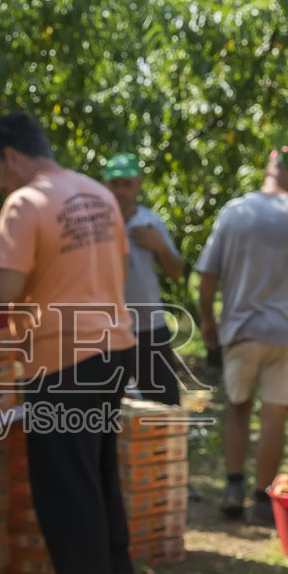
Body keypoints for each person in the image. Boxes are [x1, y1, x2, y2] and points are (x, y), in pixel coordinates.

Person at [0, 112, 139, 574]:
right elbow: (120, 269)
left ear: (12, 156)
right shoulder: (98, 193)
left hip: (62, 362)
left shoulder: (25, 203)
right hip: (114, 349)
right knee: (98, 475)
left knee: (67, 490)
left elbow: (2, 291)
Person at [195, 146, 288, 526]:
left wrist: (207, 319)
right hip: (285, 331)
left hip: (241, 328)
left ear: (268, 169)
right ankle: (263, 498)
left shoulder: (235, 211)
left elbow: (208, 272)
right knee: (274, 414)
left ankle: (233, 486)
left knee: (238, 406)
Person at [103, 153, 187, 405]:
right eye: (115, 183)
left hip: (150, 326)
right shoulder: (97, 223)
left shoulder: (150, 222)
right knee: (108, 404)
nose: (121, 190)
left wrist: (160, 246)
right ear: (105, 184)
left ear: (138, 184)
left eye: (127, 183)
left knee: (165, 402)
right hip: (109, 329)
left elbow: (176, 272)